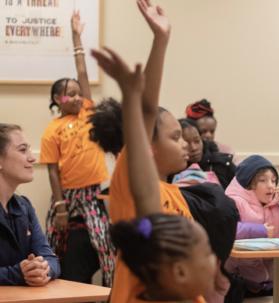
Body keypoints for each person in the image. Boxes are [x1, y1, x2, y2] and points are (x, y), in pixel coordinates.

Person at [94, 43, 216, 301]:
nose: (214, 261)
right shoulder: (133, 187)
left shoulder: (164, 210)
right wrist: (130, 95)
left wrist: (162, 36)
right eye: (175, 137)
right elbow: (146, 113)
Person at [39, 11, 113, 286]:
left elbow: (83, 72)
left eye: (78, 91)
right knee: (51, 242)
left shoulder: (88, 112)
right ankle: (52, 290)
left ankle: (110, 290)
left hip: (93, 193)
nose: (76, 95)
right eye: (69, 92)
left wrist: (76, 37)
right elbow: (52, 171)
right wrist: (60, 207)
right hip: (66, 195)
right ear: (58, 100)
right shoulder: (53, 129)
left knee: (105, 245)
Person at [224, 155, 279, 297]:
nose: (271, 185)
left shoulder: (278, 205)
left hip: (270, 280)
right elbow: (227, 230)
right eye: (263, 180)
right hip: (238, 280)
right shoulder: (233, 202)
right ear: (248, 184)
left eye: (274, 180)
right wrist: (260, 231)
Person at [0, 123, 61, 285]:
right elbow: (19, 273)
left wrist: (43, 270)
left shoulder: (24, 206)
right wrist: (18, 273)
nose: (32, 158)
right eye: (22, 150)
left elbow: (50, 259)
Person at [173, 118, 235, 189]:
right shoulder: (171, 170)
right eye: (187, 143)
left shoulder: (222, 164)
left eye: (197, 141)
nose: (194, 148)